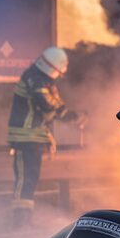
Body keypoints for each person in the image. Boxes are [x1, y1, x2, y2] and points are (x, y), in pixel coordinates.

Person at [6, 46, 84, 226]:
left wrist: (67, 118)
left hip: (33, 139)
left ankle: (25, 221)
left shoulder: (42, 80)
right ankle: (20, 221)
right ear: (53, 68)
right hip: (25, 139)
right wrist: (68, 115)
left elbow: (52, 107)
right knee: (25, 179)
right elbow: (46, 104)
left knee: (30, 179)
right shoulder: (34, 77)